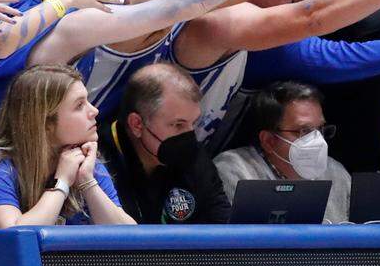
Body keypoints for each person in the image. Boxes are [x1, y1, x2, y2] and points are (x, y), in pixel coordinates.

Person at [0, 65, 135, 227]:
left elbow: (130, 236)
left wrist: (88, 182)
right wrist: (62, 182)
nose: (94, 111)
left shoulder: (87, 165)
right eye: (79, 105)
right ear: (45, 123)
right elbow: (15, 235)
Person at [97, 63, 231, 224]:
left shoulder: (194, 156)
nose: (190, 135)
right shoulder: (99, 162)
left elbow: (223, 224)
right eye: (178, 125)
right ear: (137, 124)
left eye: (194, 123)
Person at [214, 81, 350, 224]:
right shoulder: (234, 171)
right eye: (304, 131)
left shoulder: (336, 172)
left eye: (320, 129)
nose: (318, 140)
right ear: (268, 141)